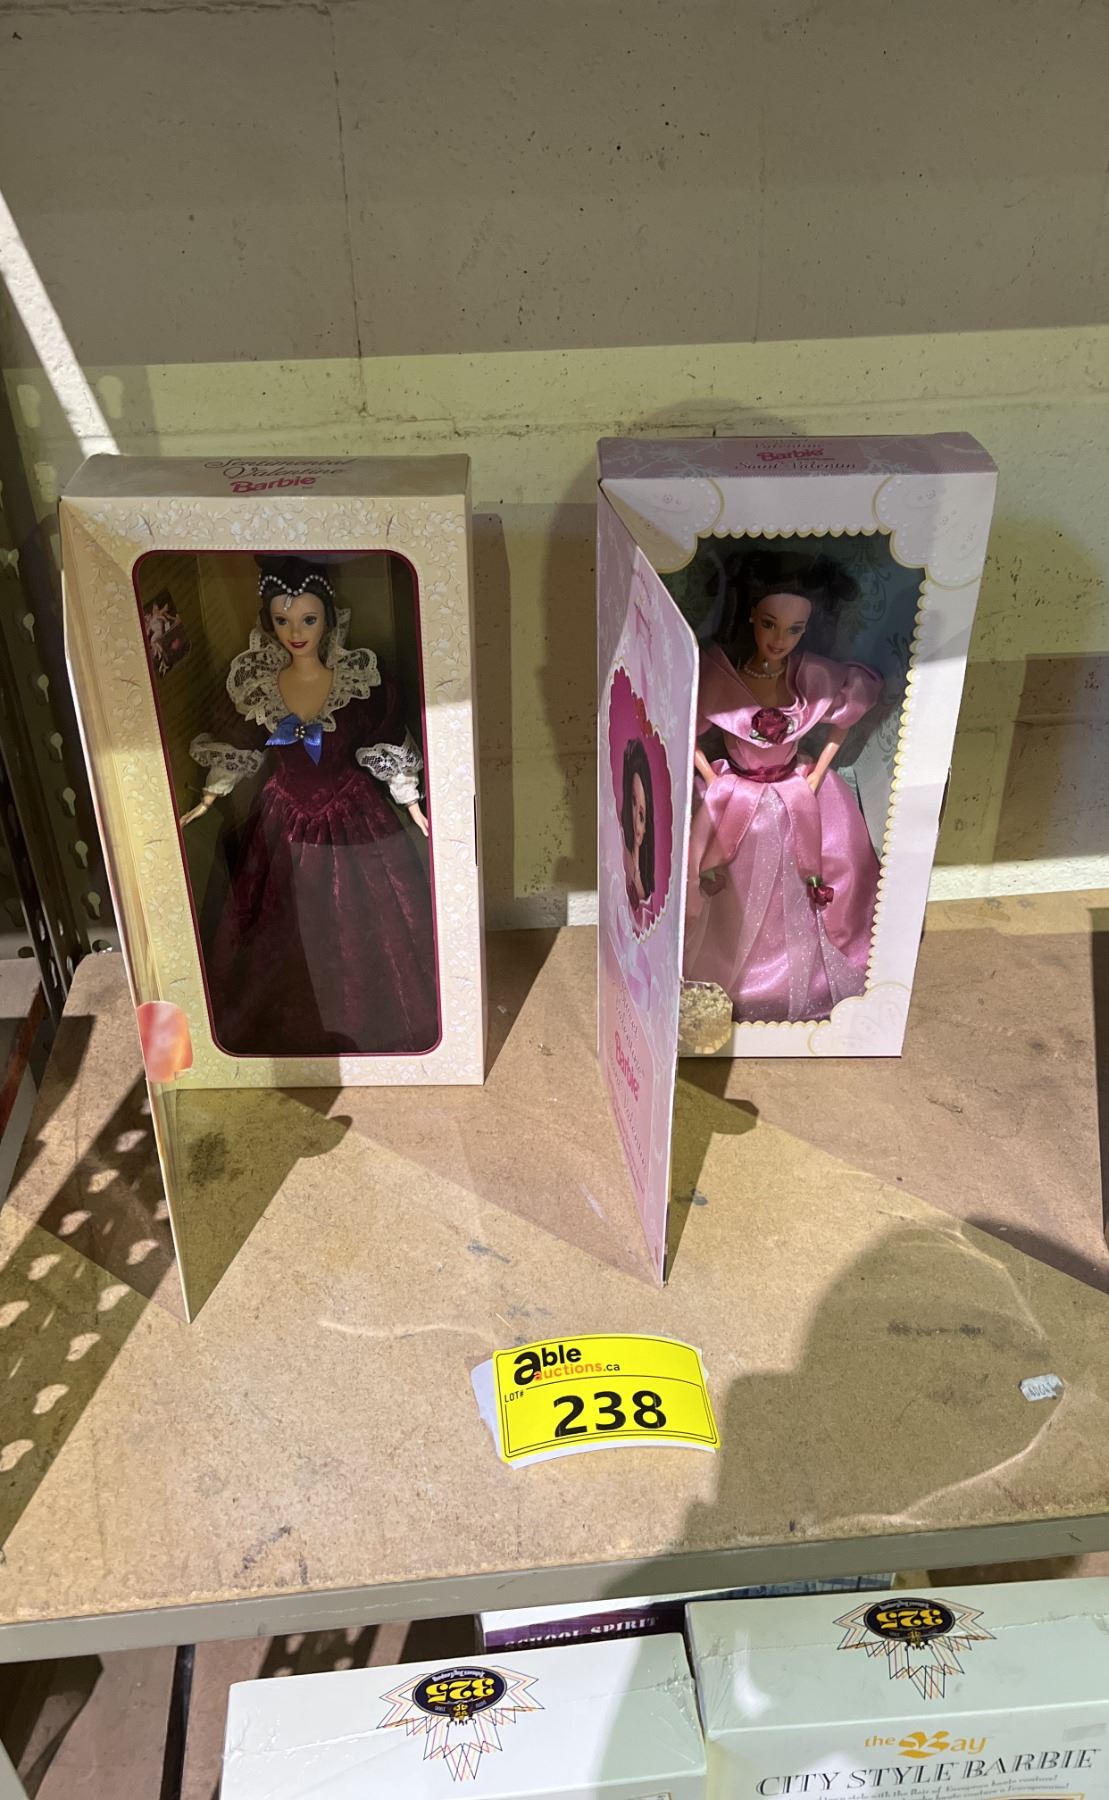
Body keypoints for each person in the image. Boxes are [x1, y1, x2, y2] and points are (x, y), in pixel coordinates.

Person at [181, 555, 438, 1056]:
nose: (295, 632)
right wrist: (210, 798)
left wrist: (411, 801)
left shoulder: (357, 682)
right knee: (276, 919)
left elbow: (385, 740)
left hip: (352, 812)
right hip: (283, 817)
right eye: (282, 620)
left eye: (308, 619)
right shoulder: (259, 685)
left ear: (328, 619)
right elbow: (241, 746)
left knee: (367, 921)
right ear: (268, 623)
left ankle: (370, 1017)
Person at [684, 552, 881, 1024]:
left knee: (802, 887)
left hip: (794, 795)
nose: (779, 639)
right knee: (727, 889)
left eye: (794, 630)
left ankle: (798, 977)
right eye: (770, 624)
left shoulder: (809, 676)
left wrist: (817, 773)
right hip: (738, 797)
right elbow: (684, 728)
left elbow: (846, 714)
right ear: (752, 615)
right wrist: (713, 779)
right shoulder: (720, 675)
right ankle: (731, 976)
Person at [620, 737, 655, 927]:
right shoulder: (621, 857)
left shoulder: (645, 878)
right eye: (633, 803)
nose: (635, 822)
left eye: (641, 816)